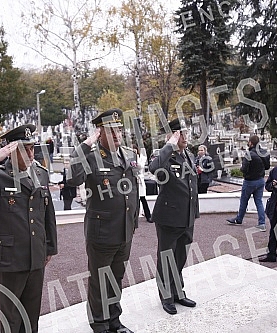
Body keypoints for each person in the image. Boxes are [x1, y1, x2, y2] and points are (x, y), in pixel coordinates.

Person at [0, 124, 57, 333]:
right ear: (12, 151)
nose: (31, 154)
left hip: (36, 254)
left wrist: (50, 247)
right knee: (11, 316)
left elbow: (47, 213)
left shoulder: (40, 174)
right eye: (25, 149)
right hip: (11, 257)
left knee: (32, 313)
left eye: (33, 148)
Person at [67, 108, 139, 333]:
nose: (117, 134)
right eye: (111, 130)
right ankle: (99, 324)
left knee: (116, 279)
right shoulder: (91, 156)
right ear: (100, 133)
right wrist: (85, 146)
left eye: (119, 129)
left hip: (125, 230)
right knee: (99, 282)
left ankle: (114, 321)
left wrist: (134, 221)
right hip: (102, 232)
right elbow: (72, 178)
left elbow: (132, 190)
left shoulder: (127, 155)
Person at [148, 118, 199, 315]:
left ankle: (178, 292)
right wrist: (169, 144)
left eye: (185, 133)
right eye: (181, 133)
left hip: (187, 217)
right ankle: (166, 296)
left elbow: (191, 186)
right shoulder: (163, 156)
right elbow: (154, 169)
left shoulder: (188, 154)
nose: (186, 137)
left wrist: (194, 213)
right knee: (166, 257)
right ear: (173, 135)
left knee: (180, 257)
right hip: (169, 217)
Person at [226, 135, 270, 231]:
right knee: (259, 201)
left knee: (244, 201)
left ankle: (239, 219)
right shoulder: (265, 153)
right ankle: (262, 223)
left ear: (251, 143)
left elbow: (244, 169)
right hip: (261, 180)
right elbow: (267, 167)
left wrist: (244, 170)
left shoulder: (249, 154)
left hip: (250, 181)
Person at [133, 144, 152, 222]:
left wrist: (136, 157)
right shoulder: (129, 158)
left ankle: (148, 216)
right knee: (134, 200)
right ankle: (134, 218)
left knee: (143, 198)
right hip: (133, 180)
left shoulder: (142, 158)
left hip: (140, 180)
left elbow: (140, 166)